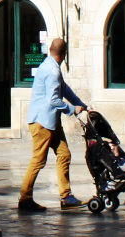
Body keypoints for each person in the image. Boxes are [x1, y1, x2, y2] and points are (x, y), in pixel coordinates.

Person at [19, 36, 86, 213]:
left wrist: (82, 105)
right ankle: (25, 198)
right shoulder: (52, 71)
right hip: (43, 122)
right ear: (64, 54)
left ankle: (66, 196)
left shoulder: (49, 66)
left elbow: (65, 89)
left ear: (50, 50)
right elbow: (54, 100)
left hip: (50, 121)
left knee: (64, 154)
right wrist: (72, 109)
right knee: (38, 160)